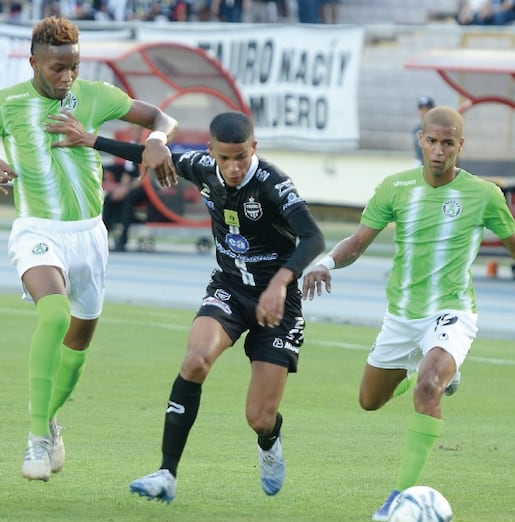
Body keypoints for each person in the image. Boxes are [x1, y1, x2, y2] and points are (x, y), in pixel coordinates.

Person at [302, 106, 515, 522]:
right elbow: (358, 242)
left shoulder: (483, 194)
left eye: (447, 143)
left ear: (460, 146)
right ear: (421, 140)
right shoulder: (395, 188)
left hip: (453, 311)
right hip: (402, 316)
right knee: (369, 401)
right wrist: (325, 262)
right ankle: (427, 373)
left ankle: (401, 495)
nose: (438, 151)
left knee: (428, 387)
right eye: (432, 141)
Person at [47, 110, 326, 501]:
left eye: (241, 157)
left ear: (254, 148)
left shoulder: (273, 183)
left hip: (278, 304)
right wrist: (91, 140)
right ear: (210, 151)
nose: (233, 167)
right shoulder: (202, 167)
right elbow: (150, 155)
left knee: (259, 417)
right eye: (224, 158)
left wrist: (280, 283)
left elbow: (314, 238)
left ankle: (269, 440)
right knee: (195, 361)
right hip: (230, 289)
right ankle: (167, 473)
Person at [0, 15, 179, 482]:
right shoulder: (3, 104)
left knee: (79, 342)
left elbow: (161, 117)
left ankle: (50, 422)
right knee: (53, 315)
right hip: (37, 229)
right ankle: (36, 438)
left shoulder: (94, 96)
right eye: (58, 68)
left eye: (74, 66)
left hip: (89, 234)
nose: (68, 76)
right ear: (34, 63)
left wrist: (157, 140)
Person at [102, 159, 148, 252]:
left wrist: (127, 189)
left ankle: (122, 240)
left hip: (147, 188)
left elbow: (146, 178)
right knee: (109, 198)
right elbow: (127, 174)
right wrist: (121, 189)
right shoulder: (131, 156)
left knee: (128, 199)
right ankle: (103, 239)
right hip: (130, 185)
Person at [413, 96, 435, 166]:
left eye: (428, 109)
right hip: (420, 162)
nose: (425, 112)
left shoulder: (440, 128)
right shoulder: (417, 129)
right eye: (422, 109)